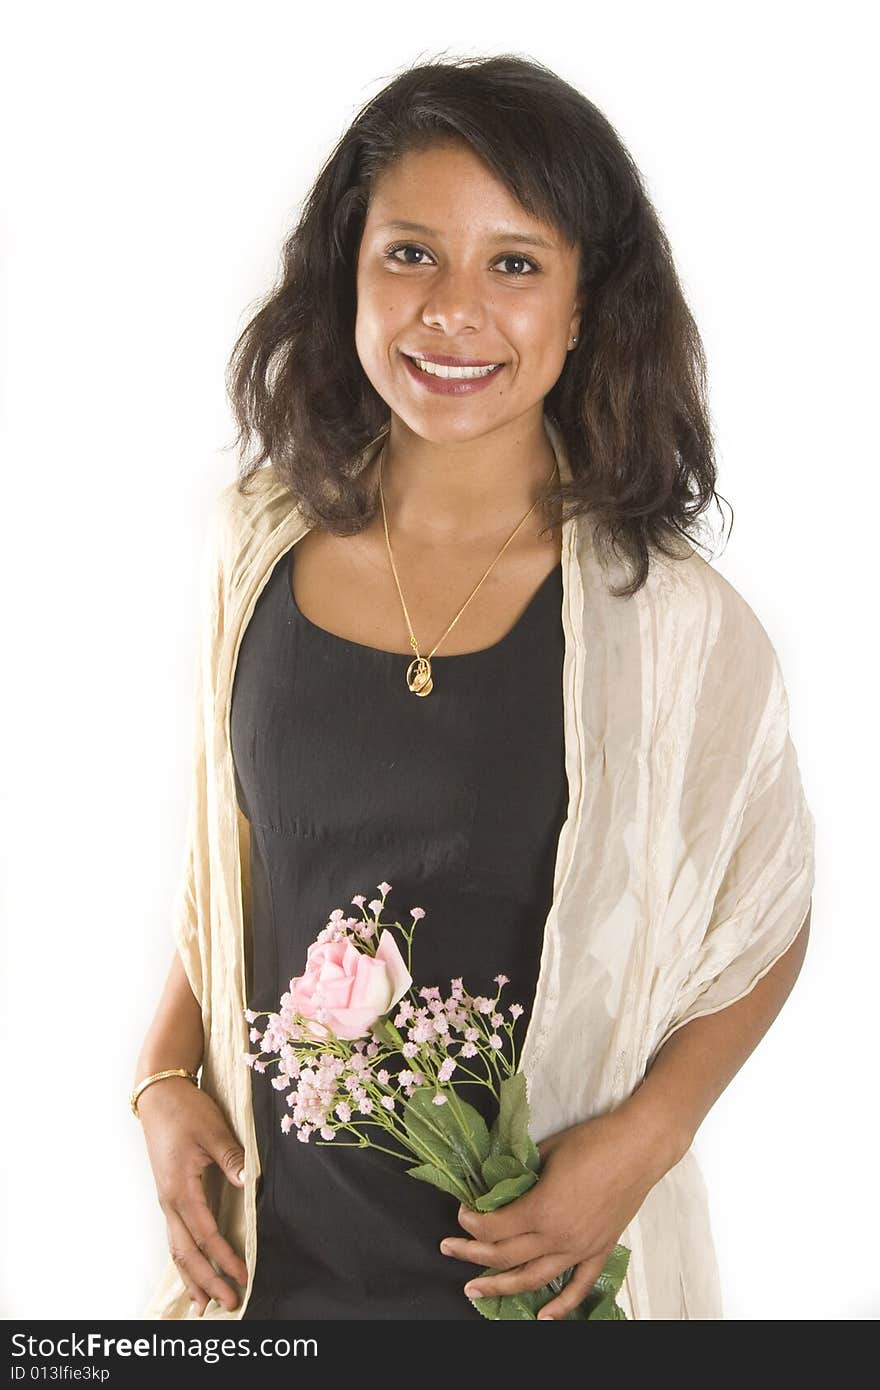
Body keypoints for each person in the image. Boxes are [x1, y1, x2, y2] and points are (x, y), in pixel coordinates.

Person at [133, 54, 815, 1321]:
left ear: (582, 307)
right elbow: (236, 859)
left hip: (548, 1280)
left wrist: (650, 1136)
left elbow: (763, 915)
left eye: (513, 264)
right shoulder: (255, 544)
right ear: (347, 270)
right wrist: (161, 1072)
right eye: (409, 254)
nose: (452, 310)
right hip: (275, 1280)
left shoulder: (669, 624)